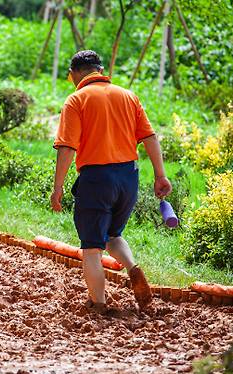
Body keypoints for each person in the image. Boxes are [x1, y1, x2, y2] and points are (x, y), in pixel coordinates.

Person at [51, 50, 172, 312]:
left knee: (92, 248)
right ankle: (132, 267)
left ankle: (98, 303)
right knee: (113, 235)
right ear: (100, 70)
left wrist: (58, 187)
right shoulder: (128, 96)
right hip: (128, 176)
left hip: (96, 179)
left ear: (74, 74)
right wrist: (160, 175)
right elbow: (150, 137)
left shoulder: (76, 100)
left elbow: (67, 149)